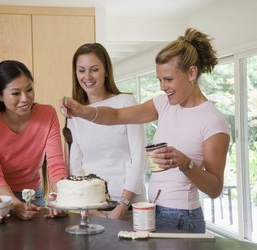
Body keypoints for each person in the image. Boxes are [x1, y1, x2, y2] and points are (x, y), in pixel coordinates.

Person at [60, 28, 230, 233]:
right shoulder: (164, 104)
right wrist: (82, 111)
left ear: (192, 73)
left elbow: (215, 188)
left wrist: (185, 163)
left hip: (183, 217)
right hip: (152, 210)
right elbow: (116, 115)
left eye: (168, 79)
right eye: (159, 80)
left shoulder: (212, 121)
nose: (163, 87)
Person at [0, 60, 68, 220]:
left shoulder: (47, 114)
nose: (25, 98)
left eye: (29, 90)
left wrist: (62, 198)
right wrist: (15, 204)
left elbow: (55, 164)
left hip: (33, 195)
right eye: (16, 93)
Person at [65, 43, 147, 220]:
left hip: (129, 206)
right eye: (81, 70)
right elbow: (75, 167)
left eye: (94, 69)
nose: (87, 76)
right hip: (91, 207)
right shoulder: (75, 114)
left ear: (106, 70)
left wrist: (123, 207)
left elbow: (139, 157)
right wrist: (91, 210)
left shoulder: (126, 102)